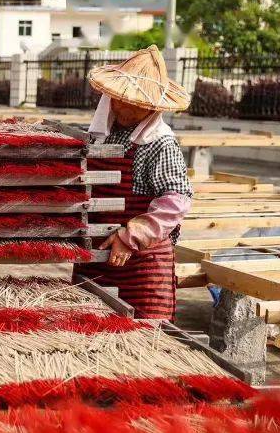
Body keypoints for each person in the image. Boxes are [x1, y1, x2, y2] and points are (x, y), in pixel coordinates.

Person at [74, 45, 193, 320]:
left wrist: (131, 237)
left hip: (142, 267)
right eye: (123, 99)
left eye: (139, 103)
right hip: (94, 259)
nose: (128, 107)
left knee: (144, 342)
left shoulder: (159, 143)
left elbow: (176, 201)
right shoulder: (99, 138)